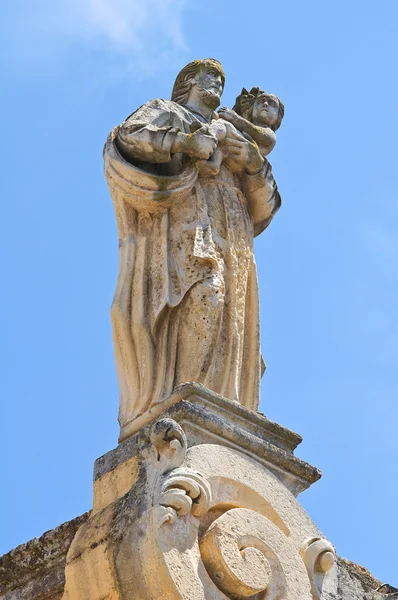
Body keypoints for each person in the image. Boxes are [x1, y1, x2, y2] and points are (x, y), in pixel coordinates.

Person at [103, 59, 282, 441]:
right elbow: (129, 136)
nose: (217, 82)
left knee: (234, 319)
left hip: (232, 229)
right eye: (208, 76)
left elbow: (266, 207)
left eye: (221, 78)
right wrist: (185, 143)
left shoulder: (235, 132)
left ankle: (228, 402)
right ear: (187, 82)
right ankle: (183, 395)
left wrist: (251, 163)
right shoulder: (167, 111)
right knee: (204, 294)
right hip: (187, 218)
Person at [195, 86, 284, 176]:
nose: (265, 104)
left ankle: (208, 136)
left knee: (224, 125)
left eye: (272, 104)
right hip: (230, 151)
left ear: (278, 117)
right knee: (222, 136)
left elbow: (257, 133)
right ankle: (214, 163)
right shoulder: (243, 127)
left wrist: (234, 117)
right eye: (260, 101)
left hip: (244, 160)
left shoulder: (269, 133)